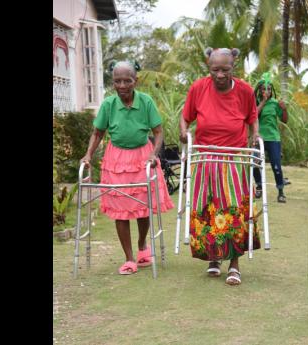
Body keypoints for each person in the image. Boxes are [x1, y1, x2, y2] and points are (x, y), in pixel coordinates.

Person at [81, 60, 174, 275]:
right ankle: (129, 258)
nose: (122, 85)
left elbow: (158, 131)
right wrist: (87, 155)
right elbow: (98, 133)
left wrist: (153, 154)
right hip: (116, 159)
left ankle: (142, 245)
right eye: (117, 81)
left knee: (142, 207)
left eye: (127, 81)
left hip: (142, 156)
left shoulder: (146, 102)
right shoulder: (108, 104)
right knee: (121, 212)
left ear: (136, 81)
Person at [179, 47, 261, 286]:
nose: (220, 75)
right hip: (205, 158)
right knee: (207, 209)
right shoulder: (198, 87)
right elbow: (186, 116)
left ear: (233, 67)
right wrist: (184, 132)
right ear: (209, 67)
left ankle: (234, 265)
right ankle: (213, 259)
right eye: (215, 70)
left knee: (233, 211)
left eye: (225, 70)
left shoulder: (244, 90)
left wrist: (255, 135)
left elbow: (252, 117)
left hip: (233, 157)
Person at [253, 72, 288, 203]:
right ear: (259, 90)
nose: (266, 91)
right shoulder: (255, 102)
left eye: (268, 89)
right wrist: (263, 101)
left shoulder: (275, 103)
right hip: (258, 138)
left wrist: (284, 110)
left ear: (271, 90)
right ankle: (259, 187)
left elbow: (284, 120)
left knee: (276, 165)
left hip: (273, 138)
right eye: (263, 89)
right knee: (255, 164)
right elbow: (253, 115)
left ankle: (281, 191)